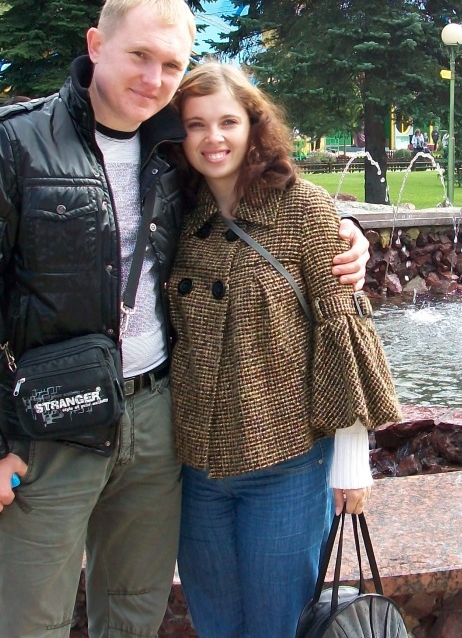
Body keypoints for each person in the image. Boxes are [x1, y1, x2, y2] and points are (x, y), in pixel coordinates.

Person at [0, 0, 369, 638]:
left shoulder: (170, 151)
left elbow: (268, 204)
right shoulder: (17, 141)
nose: (154, 79)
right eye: (139, 56)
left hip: (160, 420)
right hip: (52, 423)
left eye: (171, 65)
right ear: (96, 45)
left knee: (134, 613)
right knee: (29, 621)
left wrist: (346, 232)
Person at [168, 62, 400, 638]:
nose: (213, 138)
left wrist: (352, 460)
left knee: (277, 626)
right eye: (196, 124)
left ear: (254, 125)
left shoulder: (303, 208)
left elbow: (343, 333)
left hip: (287, 466)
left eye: (228, 121)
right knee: (216, 625)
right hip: (196, 469)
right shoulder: (177, 211)